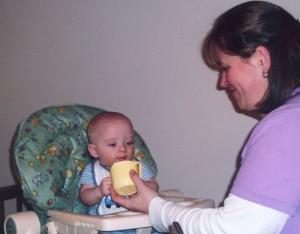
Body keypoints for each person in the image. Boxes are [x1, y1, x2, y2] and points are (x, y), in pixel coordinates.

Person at [110, 1, 300, 233]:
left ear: (261, 59)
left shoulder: (286, 125)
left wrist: (153, 206)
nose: (222, 83)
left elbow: (233, 229)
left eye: (225, 68)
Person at [78, 111, 159, 233]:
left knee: (163, 227)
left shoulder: (137, 166)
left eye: (129, 143)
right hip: (109, 226)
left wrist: (141, 184)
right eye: (112, 144)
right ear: (94, 150)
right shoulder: (93, 171)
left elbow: (154, 187)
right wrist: (99, 191)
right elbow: (85, 197)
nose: (123, 149)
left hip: (141, 223)